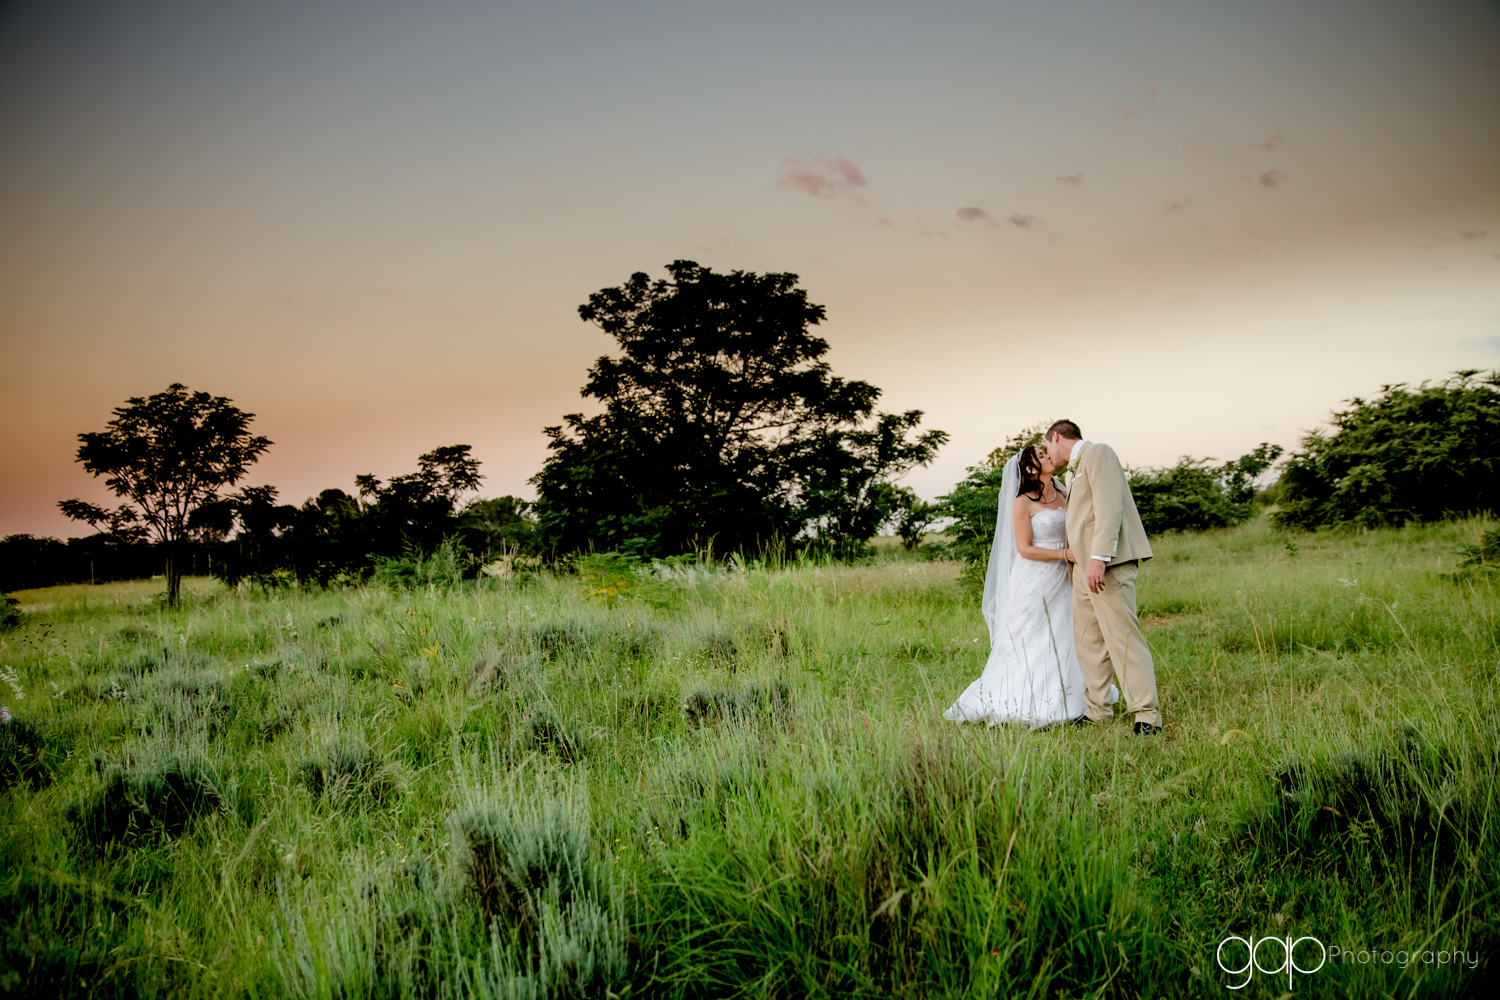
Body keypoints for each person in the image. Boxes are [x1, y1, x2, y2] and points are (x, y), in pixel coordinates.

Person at [944, 444, 1114, 727]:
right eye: (1042, 455)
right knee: (1031, 638)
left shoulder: (1063, 494)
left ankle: (1076, 698)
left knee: (1065, 633)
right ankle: (1022, 701)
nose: (1049, 456)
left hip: (1065, 577)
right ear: (1031, 468)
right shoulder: (1022, 501)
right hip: (1035, 578)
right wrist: (1063, 554)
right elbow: (1024, 549)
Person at [1043, 420, 1163, 736]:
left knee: (1122, 638)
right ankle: (1097, 710)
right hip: (1083, 568)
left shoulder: (1099, 454)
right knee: (1089, 641)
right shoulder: (1074, 470)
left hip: (1106, 564)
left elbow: (1109, 508)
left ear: (1056, 437)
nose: (1047, 455)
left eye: (1046, 448)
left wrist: (1099, 559)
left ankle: (1146, 716)